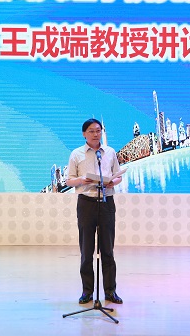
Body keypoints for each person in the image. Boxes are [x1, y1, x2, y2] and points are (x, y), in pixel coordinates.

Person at [66, 118, 123, 305]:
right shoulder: (76, 154)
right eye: (91, 131)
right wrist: (82, 180)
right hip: (86, 203)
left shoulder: (110, 152)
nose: (95, 134)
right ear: (84, 134)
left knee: (108, 250)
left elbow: (118, 176)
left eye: (98, 130)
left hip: (106, 202)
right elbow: (69, 180)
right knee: (86, 250)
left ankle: (110, 291)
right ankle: (87, 291)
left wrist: (112, 182)